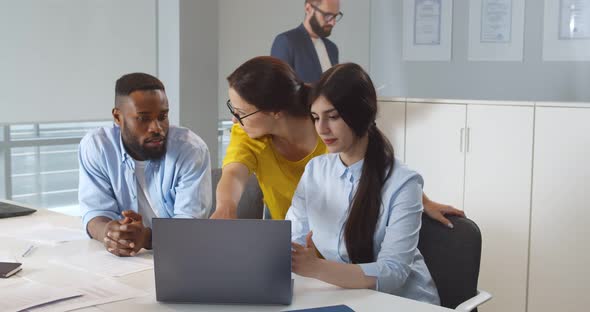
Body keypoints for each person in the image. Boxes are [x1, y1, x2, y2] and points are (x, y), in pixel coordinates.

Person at [213, 56, 463, 228]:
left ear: (275, 111)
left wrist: (424, 201)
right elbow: (233, 174)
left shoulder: (331, 133)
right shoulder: (249, 132)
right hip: (296, 251)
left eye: (240, 112)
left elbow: (375, 161)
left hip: (346, 251)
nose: (235, 119)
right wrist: (226, 205)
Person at [286, 63, 440, 304]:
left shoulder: (403, 183)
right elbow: (292, 237)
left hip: (403, 303)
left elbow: (393, 273)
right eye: (316, 118)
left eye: (333, 117)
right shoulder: (315, 171)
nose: (322, 129)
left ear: (361, 114)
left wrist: (316, 267)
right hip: (346, 298)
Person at [79, 72, 211, 257]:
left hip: (181, 257)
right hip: (124, 263)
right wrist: (110, 233)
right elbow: (95, 212)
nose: (157, 128)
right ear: (118, 117)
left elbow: (189, 226)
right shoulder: (98, 147)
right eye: (143, 118)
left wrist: (146, 238)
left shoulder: (190, 150)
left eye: (163, 116)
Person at [271, 0, 341, 83]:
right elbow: (277, 88)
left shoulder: (332, 48)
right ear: (308, 9)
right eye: (327, 15)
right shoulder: (286, 42)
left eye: (335, 16)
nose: (332, 22)